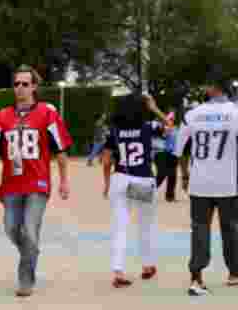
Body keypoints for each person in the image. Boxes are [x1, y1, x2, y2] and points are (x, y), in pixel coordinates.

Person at [0, 65, 73, 297]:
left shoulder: (48, 113)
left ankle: (26, 279)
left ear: (34, 86)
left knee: (30, 229)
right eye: (17, 84)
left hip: (38, 183)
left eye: (25, 84)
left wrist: (64, 180)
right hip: (11, 184)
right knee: (12, 228)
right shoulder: (2, 116)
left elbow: (61, 149)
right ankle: (30, 252)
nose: (20, 88)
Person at [174, 74, 238, 296]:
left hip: (200, 182)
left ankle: (196, 278)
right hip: (229, 181)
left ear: (213, 88)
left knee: (200, 228)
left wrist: (184, 175)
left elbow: (179, 149)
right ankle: (234, 273)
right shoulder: (235, 113)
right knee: (231, 228)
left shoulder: (192, 114)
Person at [101, 93, 170, 287]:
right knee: (145, 224)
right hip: (142, 180)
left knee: (120, 226)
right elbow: (169, 128)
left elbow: (106, 161)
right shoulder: (148, 127)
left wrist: (106, 184)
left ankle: (118, 270)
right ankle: (147, 265)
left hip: (121, 178)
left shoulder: (113, 131)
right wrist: (154, 108)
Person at [155, 111, 180, 202]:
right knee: (161, 174)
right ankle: (146, 192)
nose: (171, 120)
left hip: (173, 154)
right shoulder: (162, 128)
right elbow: (163, 136)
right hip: (161, 153)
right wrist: (167, 127)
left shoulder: (176, 129)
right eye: (169, 119)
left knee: (172, 175)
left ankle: (170, 196)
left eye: (172, 119)